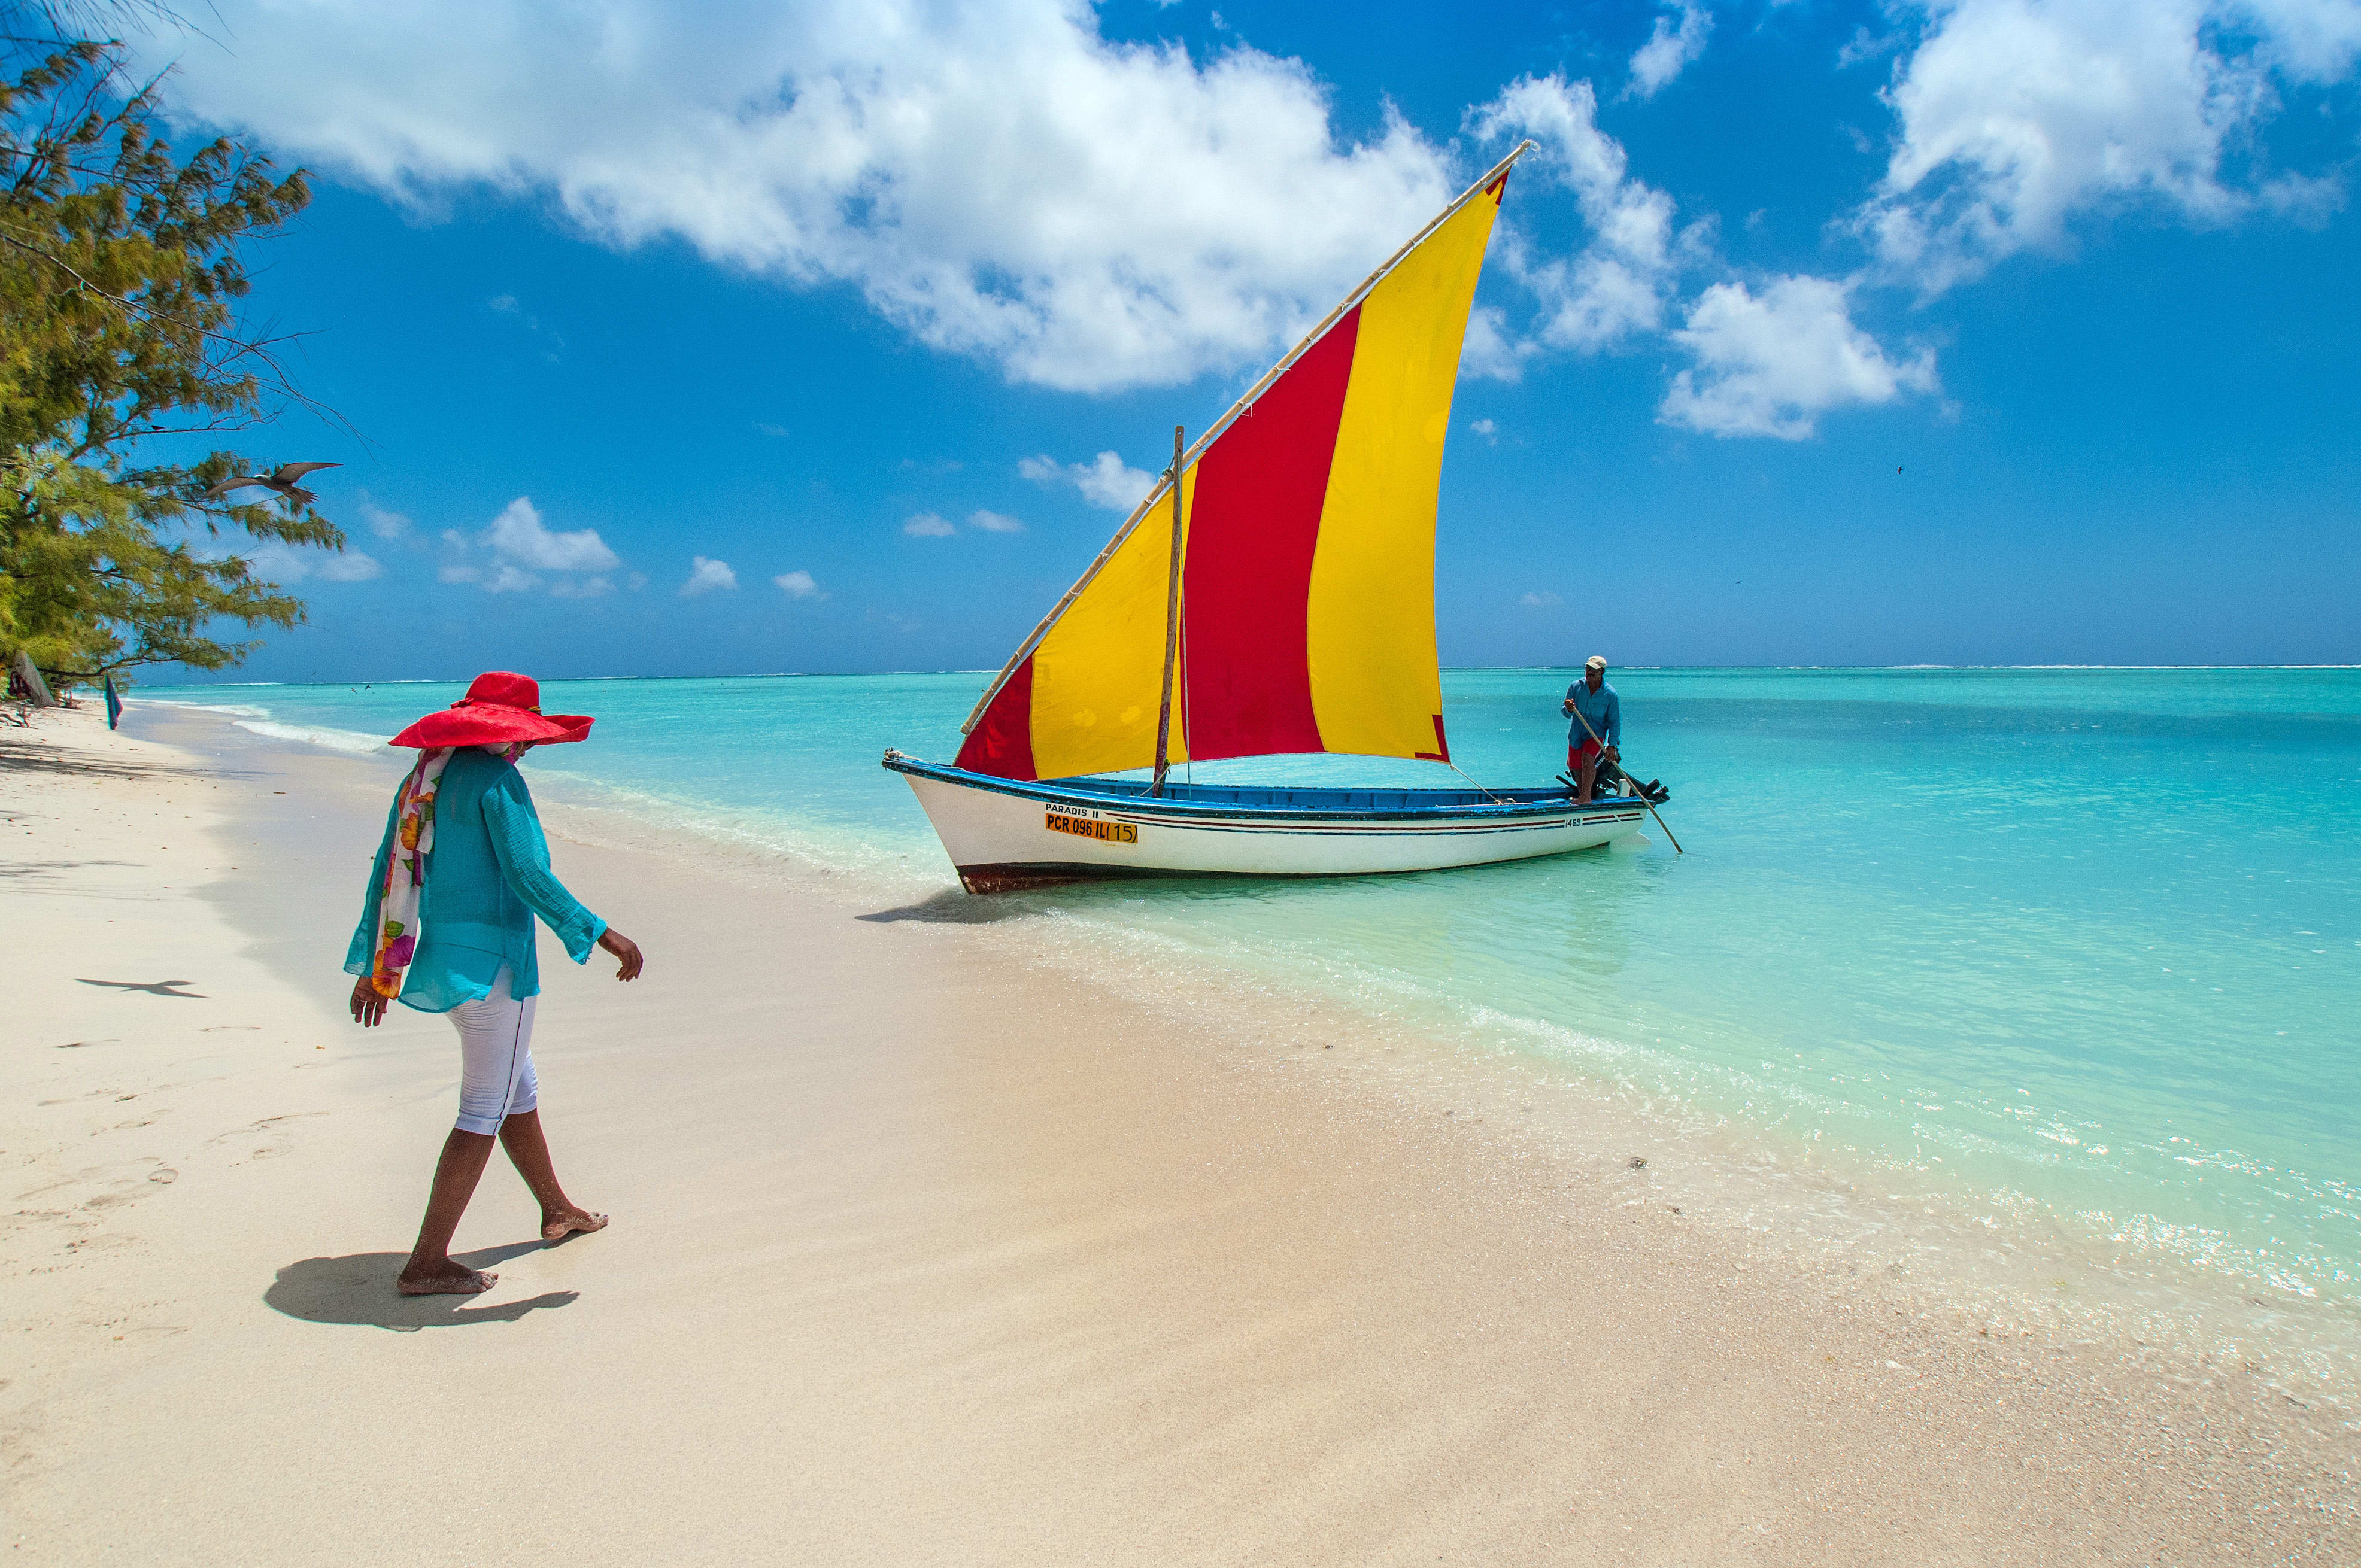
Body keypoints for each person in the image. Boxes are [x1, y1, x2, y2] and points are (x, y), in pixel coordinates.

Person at [344, 671, 645, 1296]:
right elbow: (527, 873)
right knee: (484, 1107)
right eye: (525, 734)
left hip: (444, 965)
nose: (529, 746)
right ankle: (427, 1263)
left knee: (516, 1087)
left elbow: (388, 873)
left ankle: (558, 1208)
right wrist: (600, 933)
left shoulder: (425, 779)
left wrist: (377, 968)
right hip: (495, 972)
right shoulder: (498, 781)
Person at [1561, 654, 1622, 806]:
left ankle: (1586, 797)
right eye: (1588, 669)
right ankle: (1583, 796)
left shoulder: (1610, 694)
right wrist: (1569, 708)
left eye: (1594, 670)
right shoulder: (1576, 687)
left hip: (1595, 735)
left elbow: (1614, 721)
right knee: (1575, 766)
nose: (1590, 672)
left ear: (1602, 672)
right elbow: (1565, 713)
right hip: (1576, 734)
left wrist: (1612, 745)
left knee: (1588, 758)